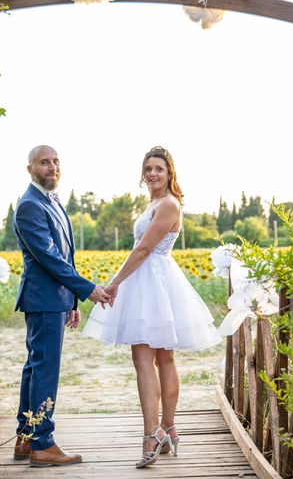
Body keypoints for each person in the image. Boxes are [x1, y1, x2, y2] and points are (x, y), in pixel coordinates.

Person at [83, 146, 221, 468]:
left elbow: (144, 248)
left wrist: (114, 282)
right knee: (155, 357)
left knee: (151, 357)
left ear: (169, 172)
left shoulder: (170, 204)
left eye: (159, 168)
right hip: (149, 280)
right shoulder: (155, 203)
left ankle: (152, 434)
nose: (153, 174)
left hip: (155, 280)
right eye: (148, 168)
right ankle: (167, 428)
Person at [13, 144, 112, 467]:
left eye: (56, 161)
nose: (52, 167)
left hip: (53, 299)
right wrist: (87, 289)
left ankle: (27, 438)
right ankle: (43, 443)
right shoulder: (29, 205)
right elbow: (49, 258)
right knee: (44, 369)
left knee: (35, 366)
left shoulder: (51, 201)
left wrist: (70, 299)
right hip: (42, 299)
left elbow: (65, 255)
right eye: (44, 162)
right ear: (30, 169)